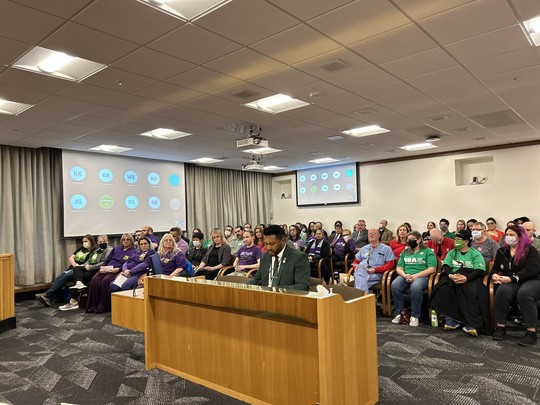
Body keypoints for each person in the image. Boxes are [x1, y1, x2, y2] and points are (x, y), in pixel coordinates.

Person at [430, 229, 491, 336]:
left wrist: (466, 278)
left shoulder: (475, 253)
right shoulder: (452, 253)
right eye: (455, 239)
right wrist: (451, 275)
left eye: (459, 239)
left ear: (466, 241)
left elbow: (479, 269)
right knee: (443, 289)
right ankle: (451, 319)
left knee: (470, 292)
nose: (456, 241)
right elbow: (446, 266)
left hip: (470, 277)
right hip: (453, 276)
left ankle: (470, 323)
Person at [491, 225, 540, 346]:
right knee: (502, 291)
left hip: (531, 279)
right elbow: (495, 268)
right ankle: (500, 327)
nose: (508, 237)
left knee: (524, 294)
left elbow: (531, 270)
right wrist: (494, 275)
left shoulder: (530, 250)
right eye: (507, 234)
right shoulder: (502, 251)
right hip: (511, 281)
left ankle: (531, 332)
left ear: (520, 237)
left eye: (512, 235)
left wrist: (511, 278)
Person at [36, 234, 97, 307]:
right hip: (73, 267)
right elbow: (71, 258)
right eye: (83, 241)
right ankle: (55, 298)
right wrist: (74, 264)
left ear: (91, 241)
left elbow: (89, 262)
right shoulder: (81, 248)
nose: (84, 243)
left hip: (80, 270)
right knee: (59, 278)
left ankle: (46, 294)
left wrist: (78, 267)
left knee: (67, 276)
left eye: (86, 241)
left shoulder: (94, 250)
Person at [391, 231, 437, 327]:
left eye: (413, 239)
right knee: (395, 285)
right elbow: (399, 268)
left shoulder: (428, 252)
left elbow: (432, 268)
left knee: (415, 288)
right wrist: (405, 275)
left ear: (419, 240)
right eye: (409, 239)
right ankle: (399, 313)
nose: (410, 241)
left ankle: (415, 315)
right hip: (406, 275)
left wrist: (415, 276)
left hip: (421, 276)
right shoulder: (405, 252)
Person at [59, 234, 113, 311]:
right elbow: (89, 260)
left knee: (82, 276)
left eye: (104, 241)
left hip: (98, 269)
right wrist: (84, 266)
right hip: (90, 267)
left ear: (107, 241)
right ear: (97, 242)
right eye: (100, 241)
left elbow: (104, 263)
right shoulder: (97, 250)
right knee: (77, 269)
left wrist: (91, 267)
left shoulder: (109, 250)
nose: (102, 243)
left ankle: (73, 301)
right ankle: (78, 284)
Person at [86, 233, 137, 313]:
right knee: (94, 280)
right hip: (108, 268)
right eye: (123, 239)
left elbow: (130, 264)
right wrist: (102, 268)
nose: (125, 241)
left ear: (131, 240)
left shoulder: (134, 251)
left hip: (118, 270)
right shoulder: (116, 249)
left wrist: (119, 269)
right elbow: (107, 260)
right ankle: (93, 306)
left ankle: (103, 306)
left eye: (128, 239)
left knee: (105, 281)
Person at [248, 224, 310, 290]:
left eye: (272, 244)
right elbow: (258, 279)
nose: (268, 247)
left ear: (283, 241)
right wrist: (242, 286)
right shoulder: (265, 256)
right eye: (266, 244)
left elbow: (303, 286)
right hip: (265, 297)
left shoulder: (299, 257)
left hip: (286, 297)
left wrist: (276, 290)